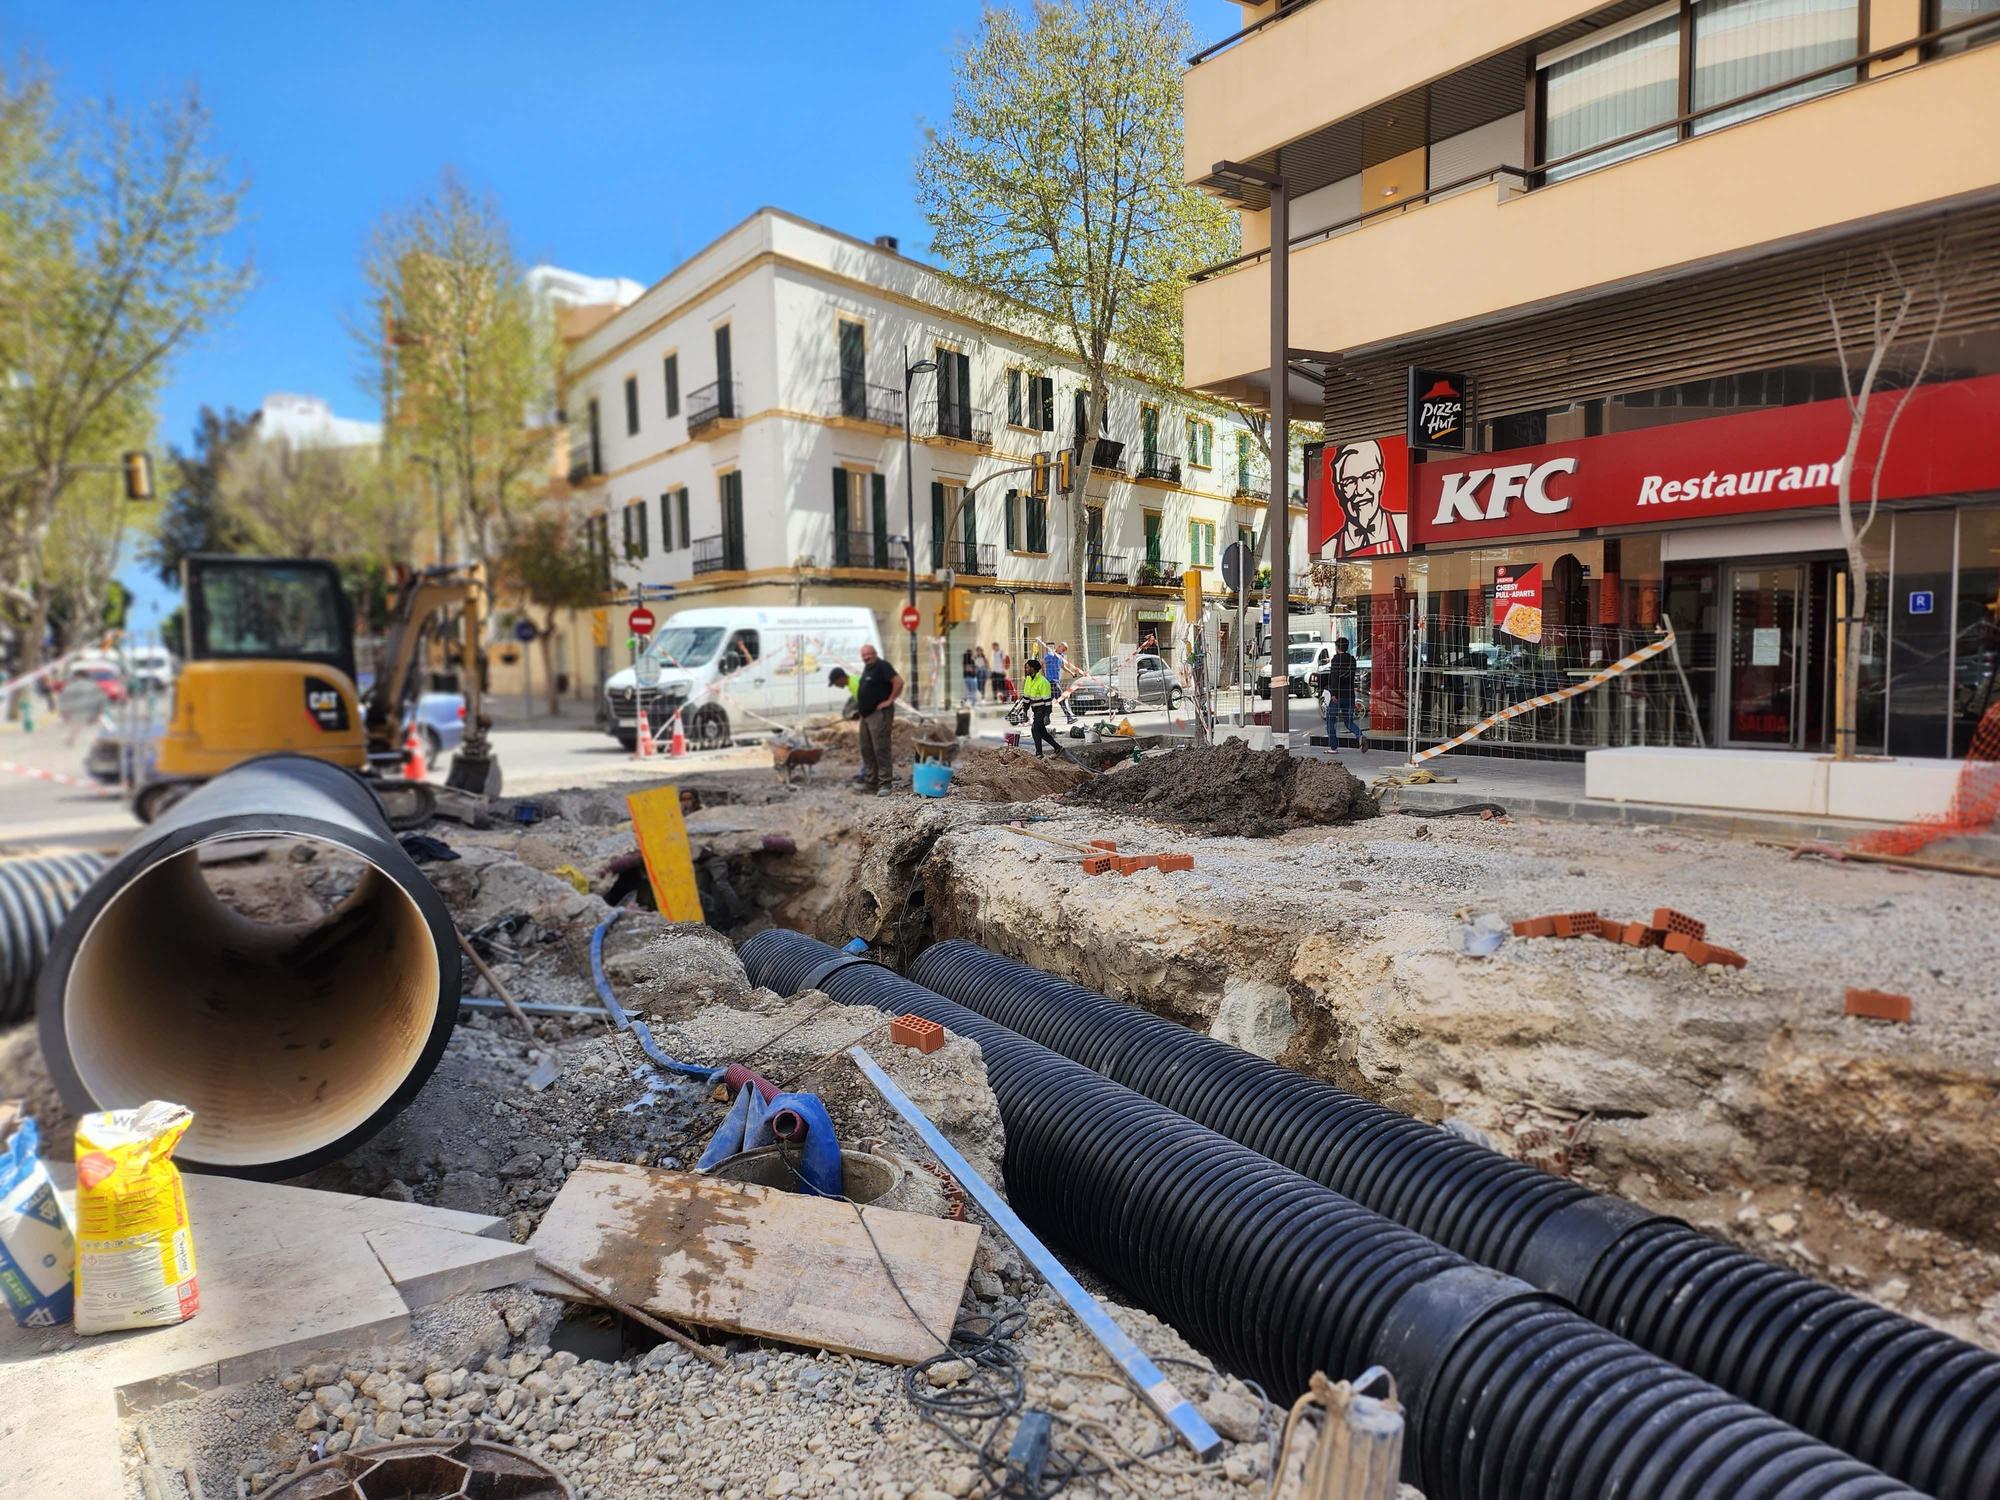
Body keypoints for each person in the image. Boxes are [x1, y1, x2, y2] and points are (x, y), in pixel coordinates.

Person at [853, 642, 903, 794]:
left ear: (875, 654)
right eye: (863, 655)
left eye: (868, 654)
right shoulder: (868, 668)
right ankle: (871, 783)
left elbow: (899, 682)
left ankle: (885, 784)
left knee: (881, 748)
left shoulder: (883, 666)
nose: (866, 657)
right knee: (866, 749)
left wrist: (890, 700)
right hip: (866, 715)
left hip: (879, 714)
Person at [1323, 637, 1365, 753]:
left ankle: (1333, 747)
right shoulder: (1352, 660)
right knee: (1349, 722)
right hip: (1350, 695)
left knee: (1330, 720)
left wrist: (1334, 694)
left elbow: (1335, 677)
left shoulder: (1336, 659)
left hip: (1338, 695)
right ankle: (1360, 735)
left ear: (1337, 647)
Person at [1021, 658, 1059, 758]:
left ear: (1033, 669)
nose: (1026, 670)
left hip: (1042, 710)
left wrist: (1047, 715)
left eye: (1028, 668)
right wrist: (1024, 711)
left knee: (1035, 729)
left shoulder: (1043, 682)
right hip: (1035, 710)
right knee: (1042, 732)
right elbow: (1026, 697)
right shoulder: (1029, 680)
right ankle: (1058, 748)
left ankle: (1039, 754)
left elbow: (1048, 702)